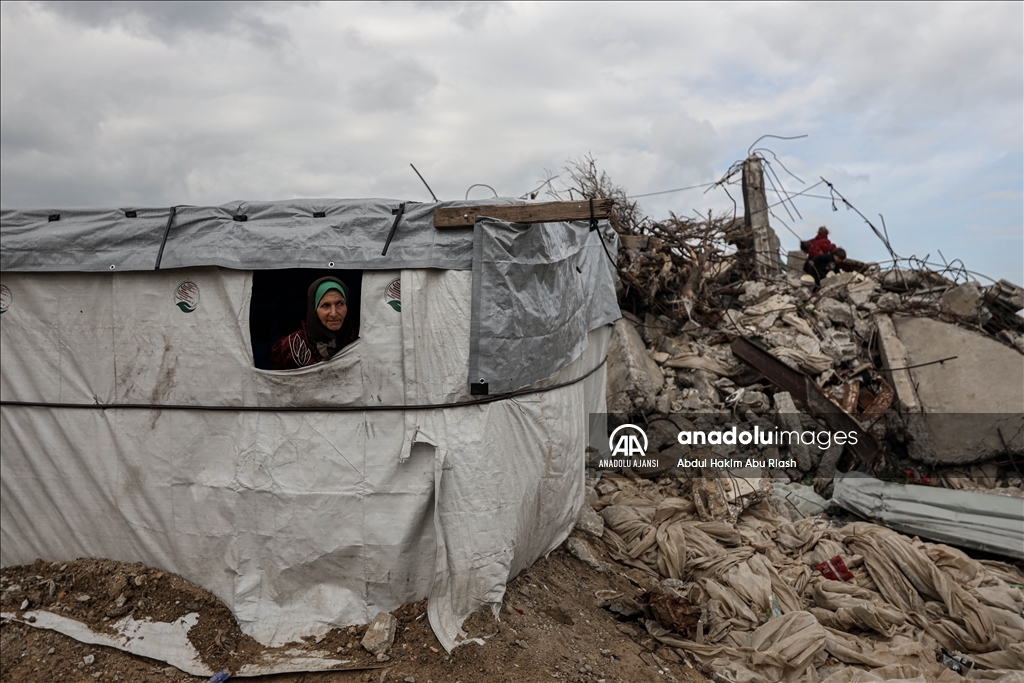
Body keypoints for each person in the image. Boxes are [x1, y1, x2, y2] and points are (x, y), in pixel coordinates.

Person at [271, 277, 355, 370]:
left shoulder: (357, 339)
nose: (334, 313)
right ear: (313, 310)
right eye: (325, 305)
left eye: (340, 304)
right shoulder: (289, 347)